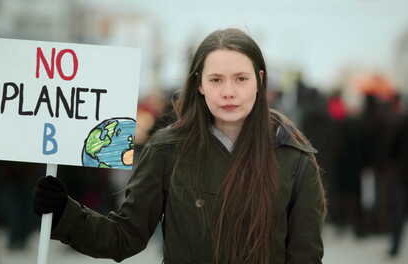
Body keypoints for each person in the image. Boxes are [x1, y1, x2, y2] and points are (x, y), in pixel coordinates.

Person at [33, 28, 327, 263]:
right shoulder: (167, 150)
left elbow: (306, 257)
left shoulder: (293, 157)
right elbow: (124, 237)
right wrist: (64, 213)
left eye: (240, 79)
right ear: (199, 84)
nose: (228, 92)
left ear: (259, 80)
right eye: (216, 80)